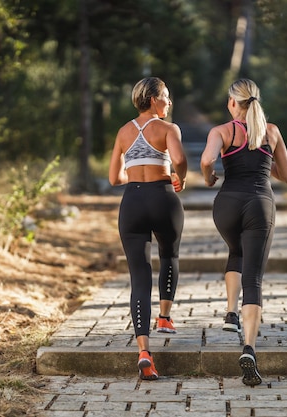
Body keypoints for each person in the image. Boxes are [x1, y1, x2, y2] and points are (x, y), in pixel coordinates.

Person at [200, 78, 287, 386]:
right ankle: (249, 349)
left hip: (226, 207)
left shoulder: (222, 131)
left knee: (235, 251)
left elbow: (206, 160)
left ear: (232, 103)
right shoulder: (272, 132)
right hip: (259, 206)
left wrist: (209, 176)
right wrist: (265, 163)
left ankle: (230, 312)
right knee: (252, 277)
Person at [109, 77, 188, 380]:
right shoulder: (169, 129)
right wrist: (179, 176)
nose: (169, 102)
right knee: (169, 256)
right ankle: (165, 317)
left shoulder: (123, 132)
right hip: (163, 198)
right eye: (166, 97)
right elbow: (179, 159)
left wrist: (137, 176)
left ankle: (144, 351)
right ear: (153, 99)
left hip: (132, 203)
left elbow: (115, 178)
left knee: (139, 278)